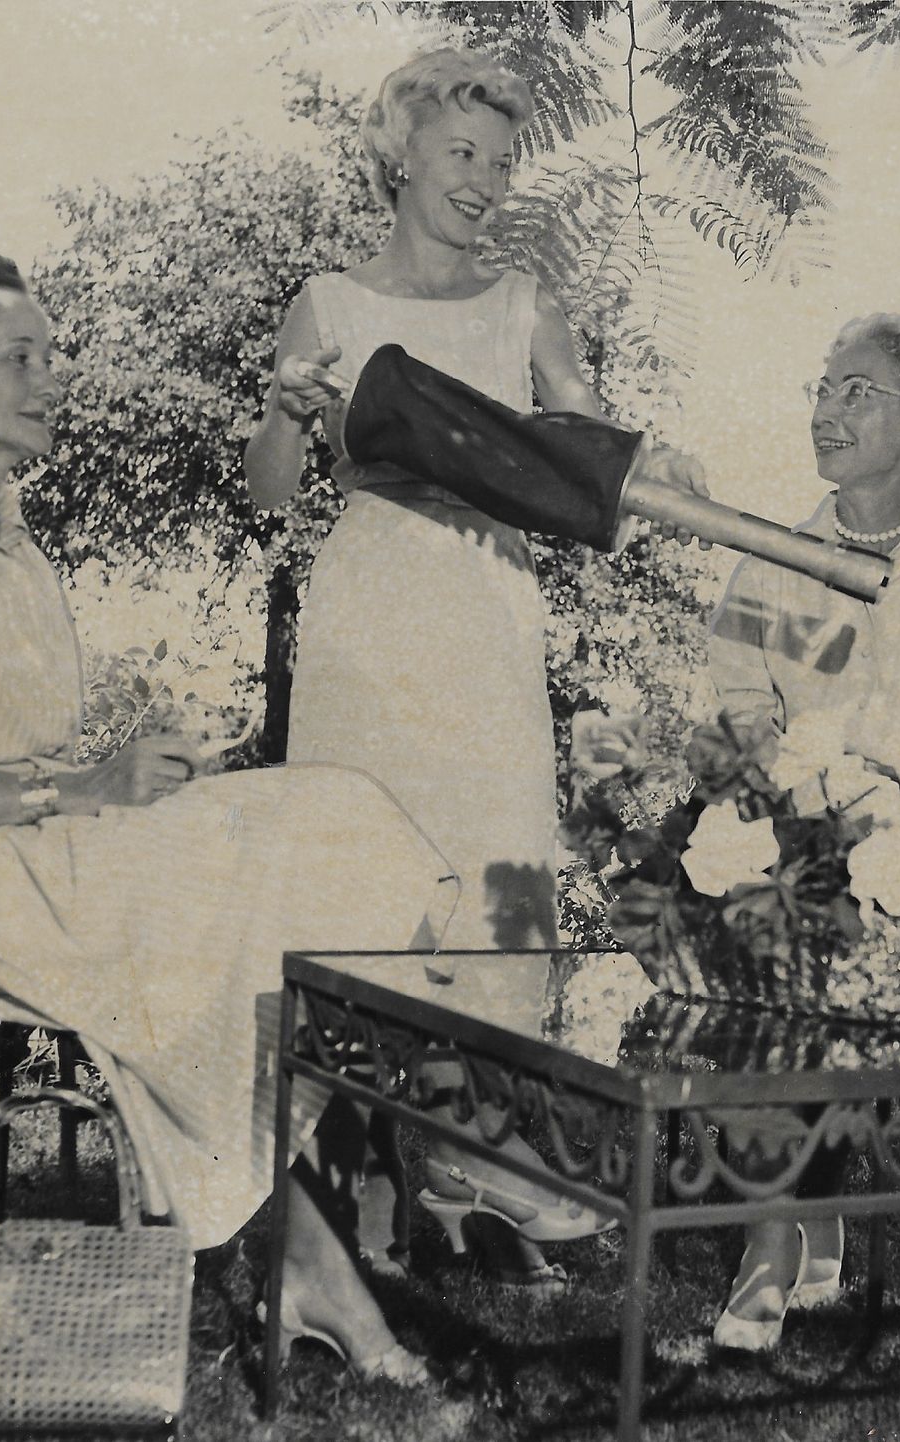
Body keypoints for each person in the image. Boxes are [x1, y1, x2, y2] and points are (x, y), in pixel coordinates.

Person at [0, 253, 462, 1385]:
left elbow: (31, 753)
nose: (53, 379)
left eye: (54, 354)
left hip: (17, 844)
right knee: (210, 887)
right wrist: (80, 792)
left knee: (316, 818)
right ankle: (311, 1256)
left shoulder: (9, 544)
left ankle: (303, 1250)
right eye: (20, 357)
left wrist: (121, 781)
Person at [243, 48, 706, 1290]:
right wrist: (288, 412)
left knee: (500, 876)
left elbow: (592, 453)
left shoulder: (524, 308)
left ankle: (476, 1162)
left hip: (485, 614)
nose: (486, 183)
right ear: (402, 155)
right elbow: (271, 494)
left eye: (503, 164)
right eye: (463, 156)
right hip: (366, 619)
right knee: (364, 878)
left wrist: (668, 475)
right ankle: (353, 1181)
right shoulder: (329, 302)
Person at [586, 314, 900, 1350]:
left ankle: (791, 1220)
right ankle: (779, 1226)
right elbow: (741, 723)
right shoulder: (766, 567)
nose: (826, 411)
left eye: (857, 393)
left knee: (837, 940)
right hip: (797, 848)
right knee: (738, 918)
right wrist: (780, 814)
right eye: (822, 390)